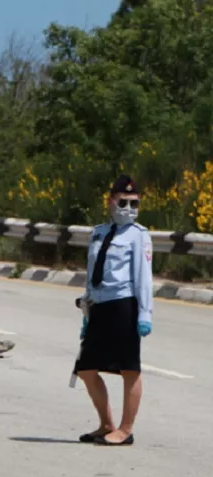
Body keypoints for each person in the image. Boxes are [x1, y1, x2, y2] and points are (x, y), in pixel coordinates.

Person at [75, 174, 153, 446]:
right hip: (99, 306)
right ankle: (106, 424)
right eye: (124, 202)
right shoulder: (99, 232)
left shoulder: (138, 236)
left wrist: (145, 314)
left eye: (135, 203)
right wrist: (87, 308)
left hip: (124, 305)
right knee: (86, 368)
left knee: (129, 369)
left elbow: (143, 277)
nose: (129, 209)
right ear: (111, 201)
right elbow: (90, 273)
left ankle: (126, 429)